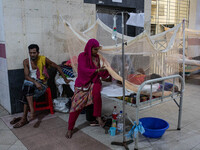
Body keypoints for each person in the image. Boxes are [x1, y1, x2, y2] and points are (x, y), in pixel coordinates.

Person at [10, 44, 72, 128]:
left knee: (26, 89)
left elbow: (57, 67)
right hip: (33, 85)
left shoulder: (43, 59)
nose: (32, 55)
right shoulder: (26, 62)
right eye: (30, 53)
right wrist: (35, 82)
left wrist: (65, 79)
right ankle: (30, 113)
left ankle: (24, 118)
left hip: (42, 85)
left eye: (34, 53)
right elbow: (26, 76)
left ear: (38, 53)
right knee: (28, 85)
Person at [66, 39, 110, 138]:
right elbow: (83, 69)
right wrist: (97, 70)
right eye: (94, 49)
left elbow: (99, 73)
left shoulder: (97, 58)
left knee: (97, 95)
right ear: (89, 48)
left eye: (97, 49)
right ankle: (70, 128)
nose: (96, 52)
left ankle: (98, 117)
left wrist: (106, 71)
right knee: (76, 105)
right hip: (83, 82)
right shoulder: (82, 56)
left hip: (94, 81)